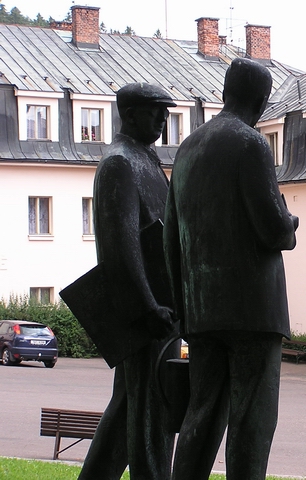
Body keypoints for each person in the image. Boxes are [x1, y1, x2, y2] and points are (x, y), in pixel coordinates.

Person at [164, 58, 299, 480]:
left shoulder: (188, 148)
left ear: (225, 92)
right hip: (253, 311)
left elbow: (171, 236)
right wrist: (290, 223)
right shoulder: (251, 143)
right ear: (261, 101)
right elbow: (273, 229)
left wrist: (182, 305)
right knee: (251, 419)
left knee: (201, 414)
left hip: (202, 312)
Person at [78, 83, 179, 480]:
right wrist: (146, 306)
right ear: (131, 113)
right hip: (145, 313)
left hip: (160, 306)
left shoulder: (146, 160)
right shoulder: (119, 163)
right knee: (150, 414)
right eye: (156, 111)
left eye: (166, 112)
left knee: (129, 410)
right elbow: (121, 248)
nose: (163, 119)